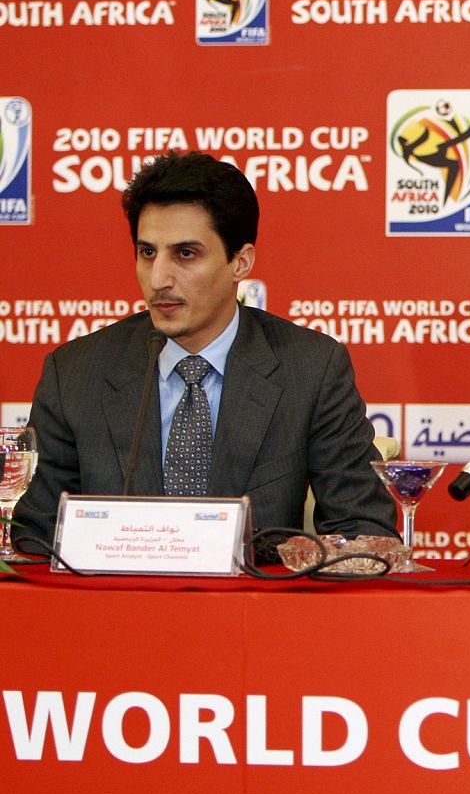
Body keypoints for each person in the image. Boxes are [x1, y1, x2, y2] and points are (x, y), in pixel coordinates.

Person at [11, 151, 397, 557]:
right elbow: (35, 538)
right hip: (117, 612)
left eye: (185, 254)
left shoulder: (311, 369)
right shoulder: (75, 373)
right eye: (147, 253)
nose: (158, 279)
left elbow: (362, 531)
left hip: (254, 613)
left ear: (240, 262)